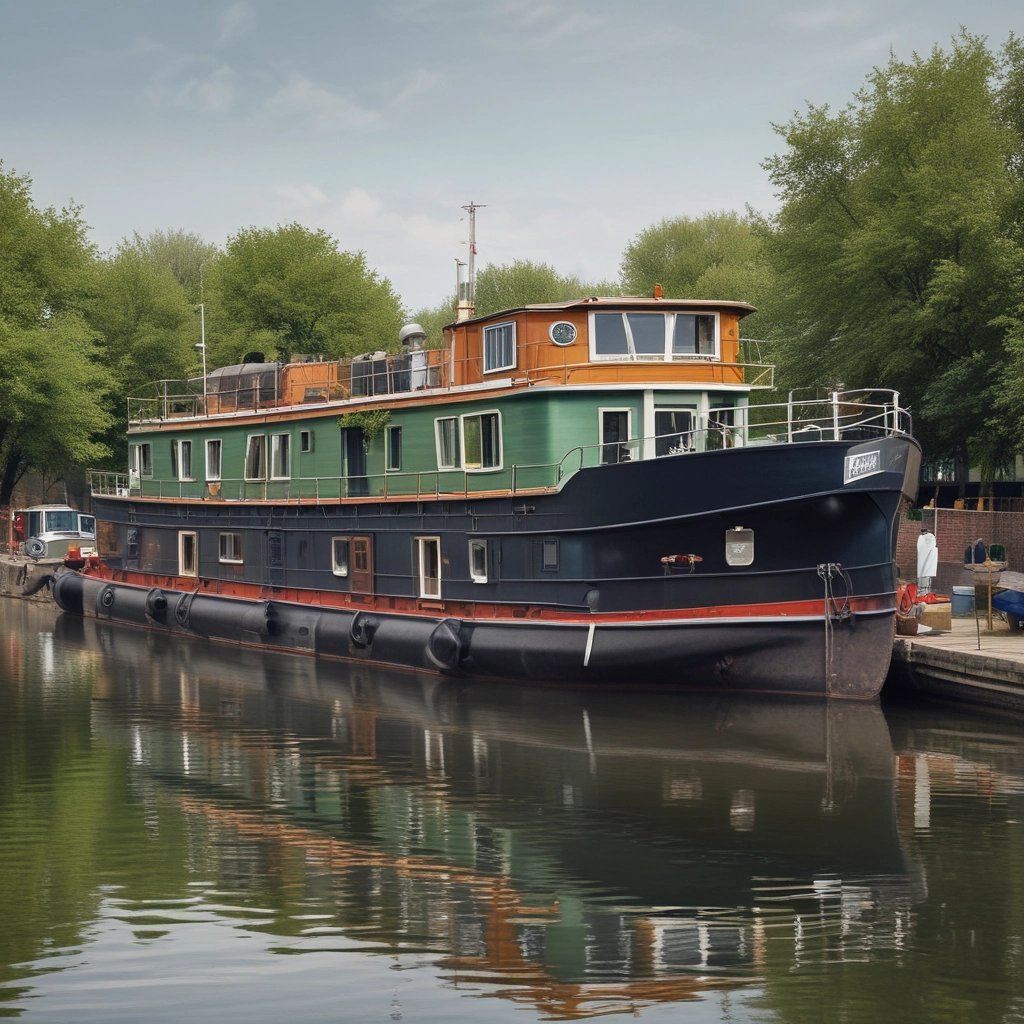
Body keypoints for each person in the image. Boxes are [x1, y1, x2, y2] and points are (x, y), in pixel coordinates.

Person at [917, 528, 938, 595]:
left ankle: (924, 592)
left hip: (925, 560)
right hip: (925, 560)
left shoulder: (927, 537)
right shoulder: (928, 537)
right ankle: (924, 592)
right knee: (925, 576)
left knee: (925, 576)